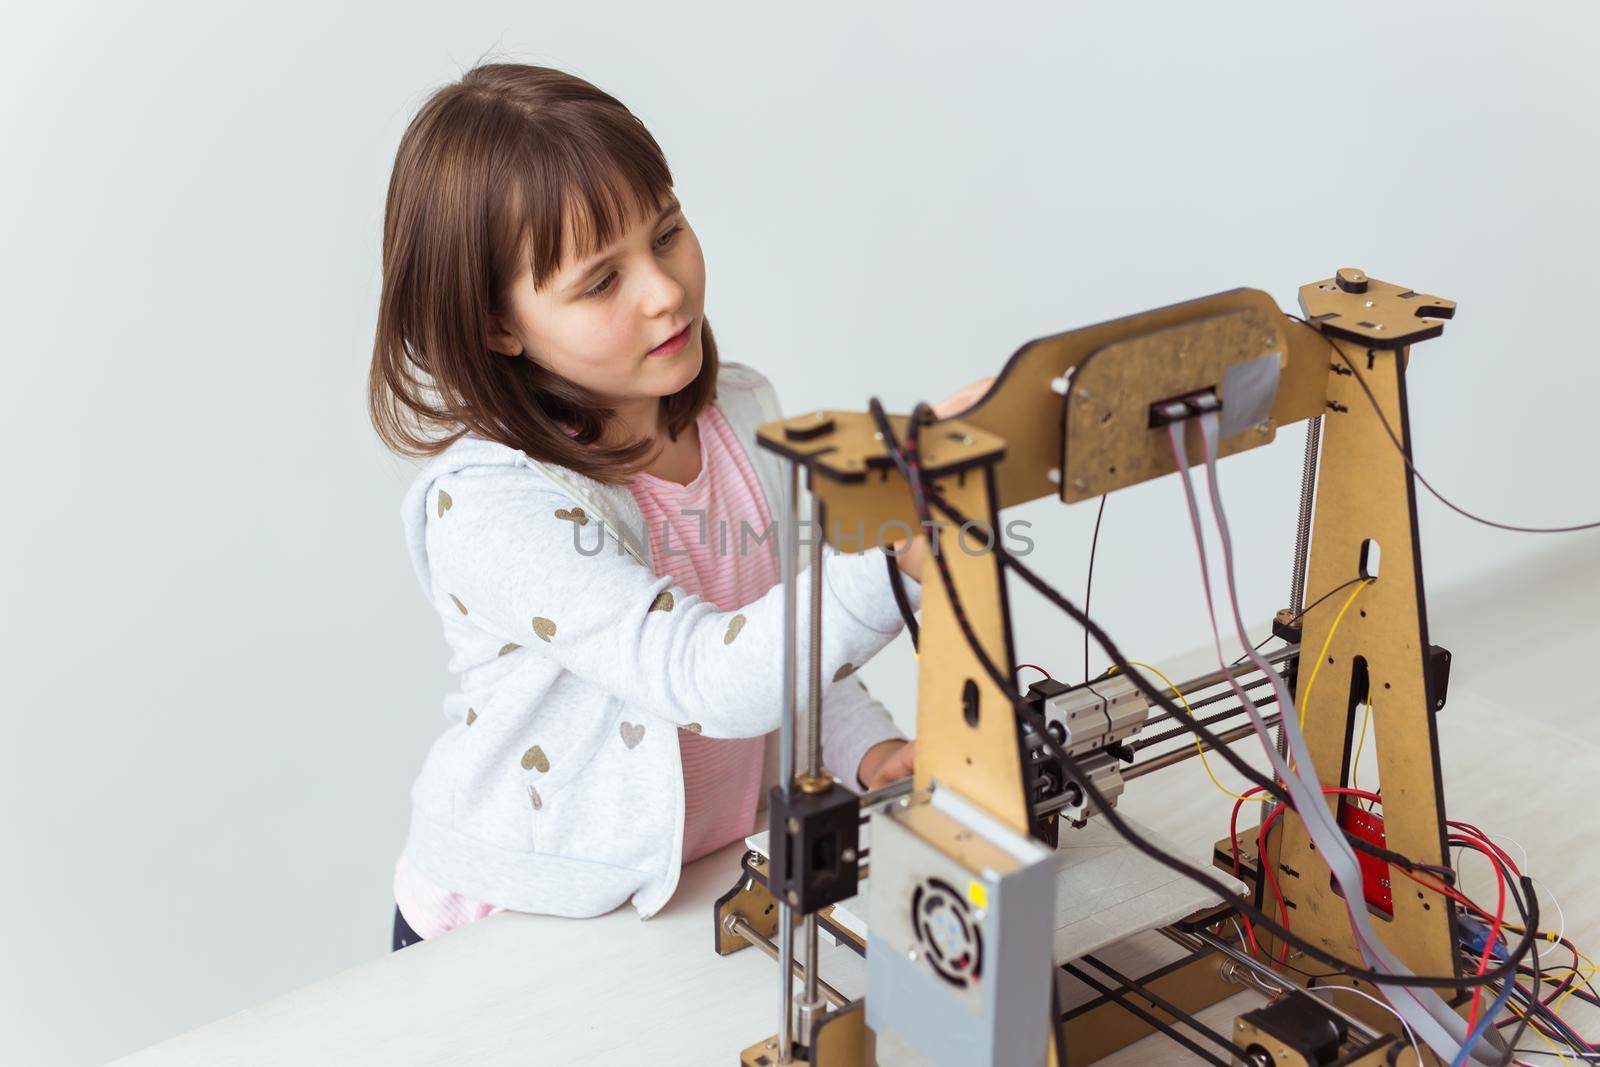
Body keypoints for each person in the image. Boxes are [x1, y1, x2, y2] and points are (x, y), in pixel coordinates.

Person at [368, 62, 990, 950]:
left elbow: (783, 629)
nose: (664, 291)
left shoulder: (740, 412)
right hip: (522, 917)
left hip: (690, 888)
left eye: (666, 235)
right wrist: (899, 561)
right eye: (599, 281)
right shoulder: (490, 507)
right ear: (496, 324)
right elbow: (698, 673)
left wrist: (864, 750)